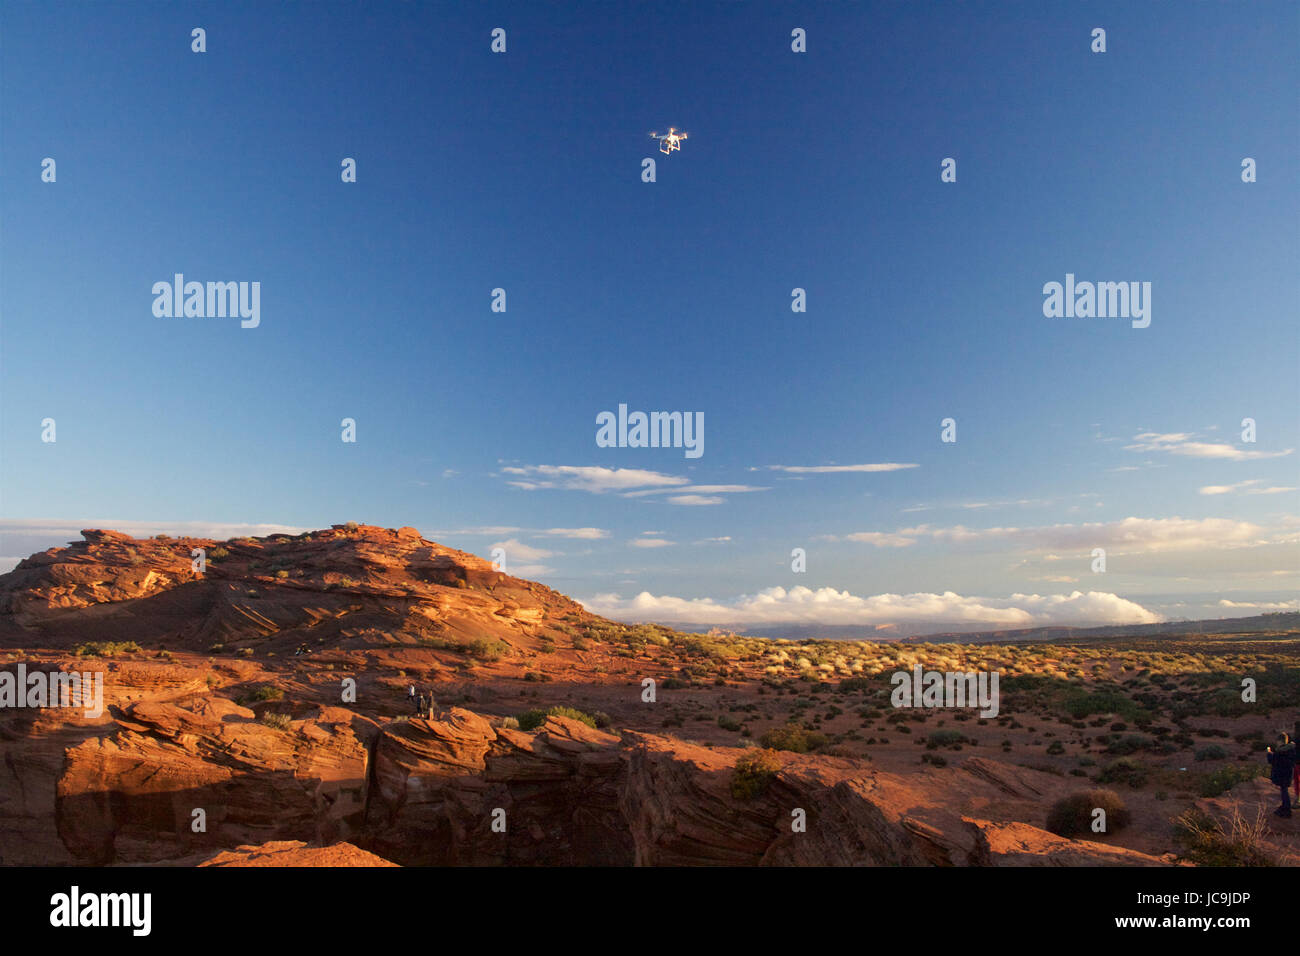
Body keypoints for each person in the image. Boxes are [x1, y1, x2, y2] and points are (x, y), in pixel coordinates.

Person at [1265, 732, 1296, 819]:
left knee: (1284, 791)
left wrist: (1269, 753)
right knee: (1284, 790)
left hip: (1282, 774)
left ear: (1280, 741)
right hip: (1288, 773)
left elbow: (1272, 761)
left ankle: (1286, 809)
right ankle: (1285, 806)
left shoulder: (1281, 751)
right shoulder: (1291, 749)